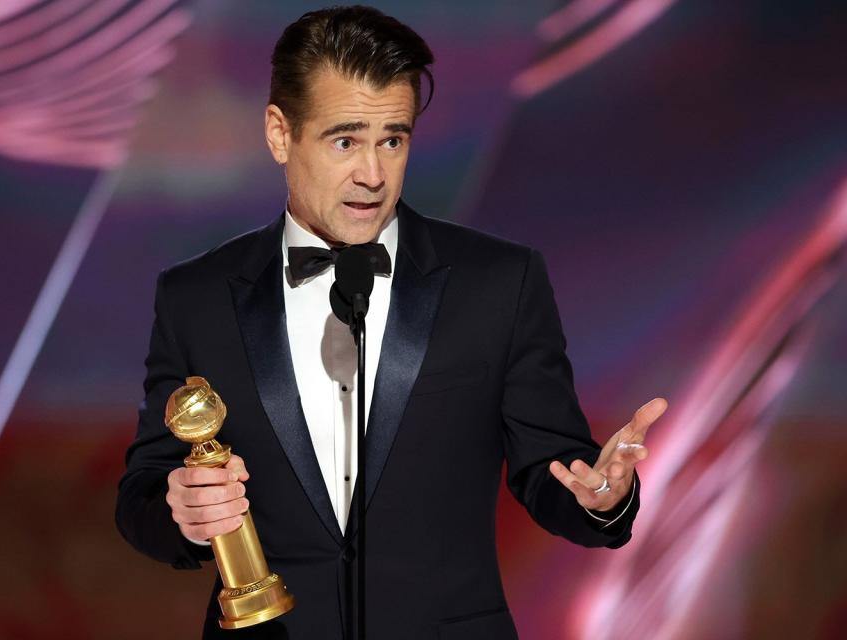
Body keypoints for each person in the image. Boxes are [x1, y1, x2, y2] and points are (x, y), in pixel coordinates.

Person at [115, 5, 667, 639]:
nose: (373, 175)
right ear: (278, 133)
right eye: (345, 140)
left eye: (393, 140)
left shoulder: (499, 282)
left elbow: (553, 468)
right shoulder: (197, 296)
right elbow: (143, 495)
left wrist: (600, 498)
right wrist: (180, 511)